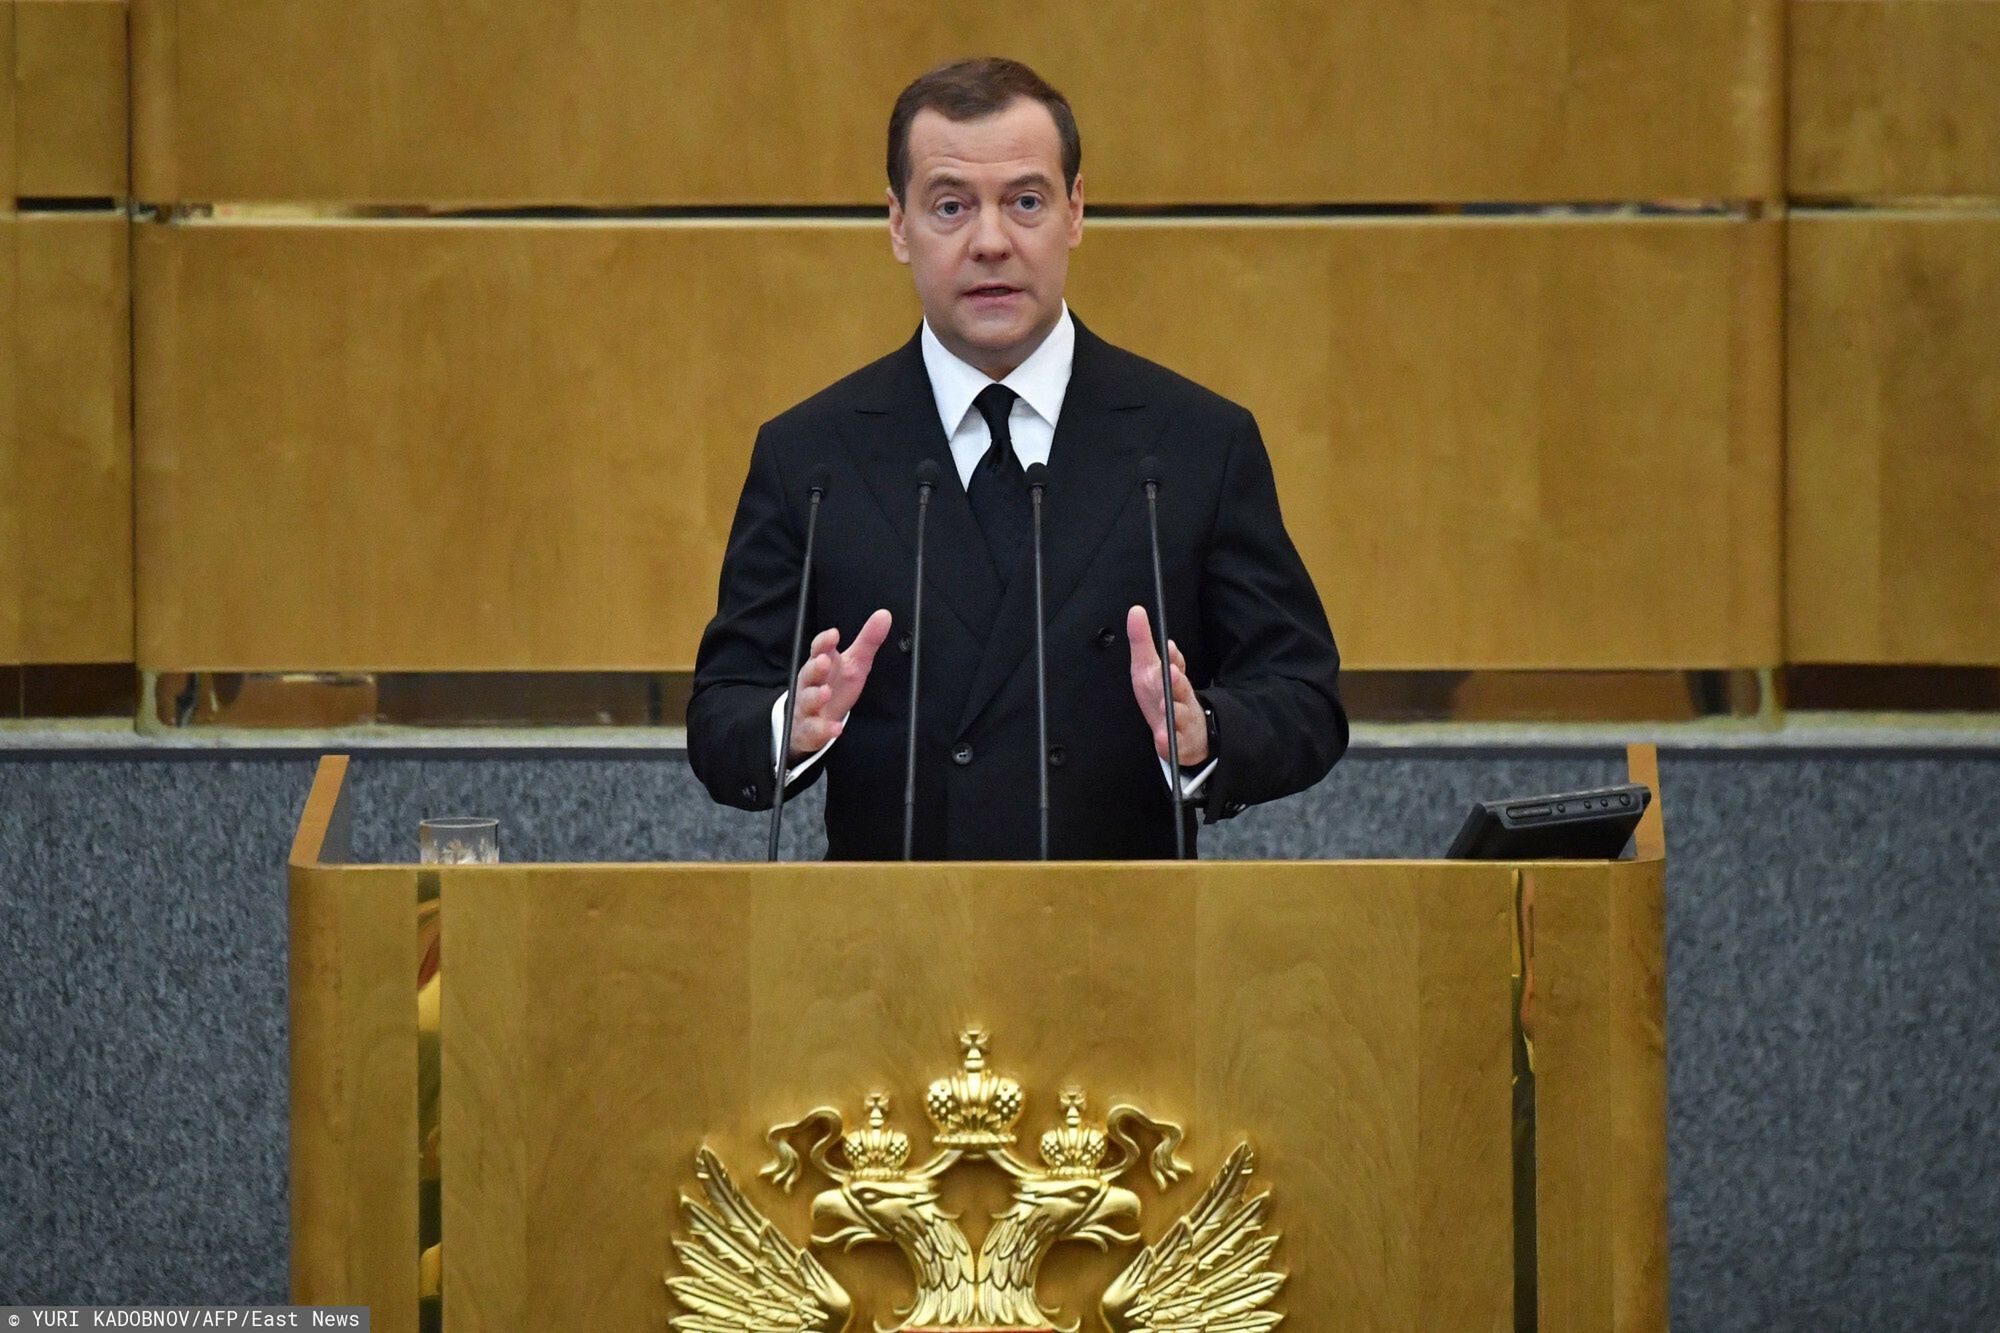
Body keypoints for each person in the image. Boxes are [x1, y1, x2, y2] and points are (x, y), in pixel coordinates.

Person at [688, 57, 1346, 859]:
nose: (991, 242)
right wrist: (789, 725)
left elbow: (1304, 697)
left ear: (1076, 210)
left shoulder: (1196, 442)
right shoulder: (811, 457)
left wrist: (1206, 730)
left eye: (1025, 202)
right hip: (892, 928)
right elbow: (720, 714)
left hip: (1124, 921)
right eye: (951, 206)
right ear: (898, 225)